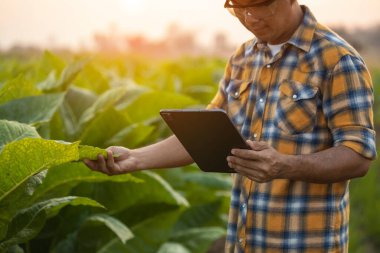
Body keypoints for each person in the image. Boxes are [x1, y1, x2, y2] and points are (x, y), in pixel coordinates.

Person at [84, 0, 377, 252]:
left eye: (260, 5)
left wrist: (284, 165)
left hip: (302, 243)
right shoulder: (242, 58)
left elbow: (357, 155)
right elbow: (205, 136)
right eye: (238, 7)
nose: (250, 18)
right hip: (244, 241)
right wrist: (134, 158)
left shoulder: (338, 60)